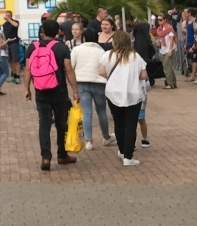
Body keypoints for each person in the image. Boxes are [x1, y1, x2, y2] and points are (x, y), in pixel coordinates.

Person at [23, 19, 80, 171]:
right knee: (61, 123)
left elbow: (28, 69)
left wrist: (27, 88)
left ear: (42, 31)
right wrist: (75, 90)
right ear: (58, 32)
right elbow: (68, 70)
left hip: (40, 90)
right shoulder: (61, 47)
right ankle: (62, 155)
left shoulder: (32, 47)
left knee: (44, 123)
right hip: (59, 91)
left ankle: (46, 157)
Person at [99, 30, 148, 166]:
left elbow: (101, 71)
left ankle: (121, 150)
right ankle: (128, 156)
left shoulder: (107, 55)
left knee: (118, 123)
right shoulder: (135, 56)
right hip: (133, 93)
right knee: (131, 125)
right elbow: (144, 75)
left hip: (113, 93)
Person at [70, 28, 112, 151]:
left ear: (84, 37)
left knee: (87, 112)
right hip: (98, 83)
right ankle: (105, 136)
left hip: (82, 82)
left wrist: (73, 87)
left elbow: (71, 67)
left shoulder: (76, 50)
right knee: (102, 111)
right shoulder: (101, 52)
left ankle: (89, 140)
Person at [156, 15, 177, 89]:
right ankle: (173, 82)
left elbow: (171, 39)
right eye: (158, 20)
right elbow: (160, 37)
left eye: (161, 20)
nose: (159, 21)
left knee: (167, 67)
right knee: (168, 67)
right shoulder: (159, 29)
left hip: (168, 49)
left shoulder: (169, 28)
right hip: (162, 49)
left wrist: (170, 50)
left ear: (165, 20)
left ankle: (170, 83)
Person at [2, 11, 21, 83]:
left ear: (11, 16)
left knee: (16, 60)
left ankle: (18, 77)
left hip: (14, 42)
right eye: (6, 15)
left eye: (9, 15)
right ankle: (14, 75)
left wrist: (9, 19)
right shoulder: (4, 25)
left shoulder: (15, 22)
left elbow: (16, 25)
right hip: (7, 43)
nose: (7, 17)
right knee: (10, 60)